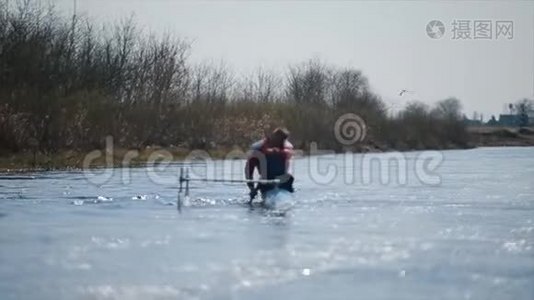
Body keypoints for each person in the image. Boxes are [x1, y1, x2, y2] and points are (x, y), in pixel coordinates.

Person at [245, 127, 294, 203]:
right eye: (279, 140)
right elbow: (248, 171)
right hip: (266, 181)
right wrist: (252, 189)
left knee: (288, 177)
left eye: (282, 141)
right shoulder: (257, 149)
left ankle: (284, 197)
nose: (281, 143)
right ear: (272, 137)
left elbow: (288, 168)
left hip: (283, 180)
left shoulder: (286, 148)